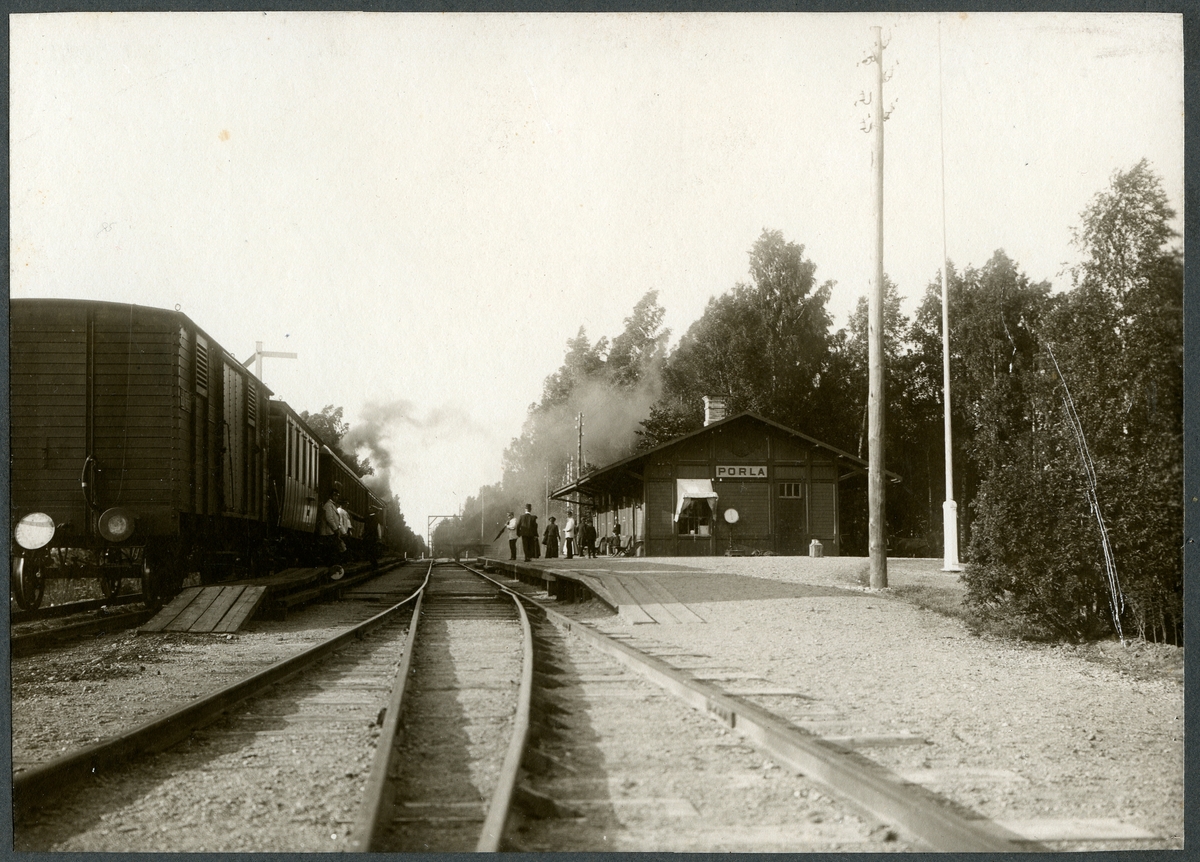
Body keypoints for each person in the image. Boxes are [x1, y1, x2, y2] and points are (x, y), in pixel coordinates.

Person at [318, 489, 342, 565]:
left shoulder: (332, 505)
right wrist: (336, 529)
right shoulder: (328, 505)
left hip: (330, 531)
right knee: (331, 550)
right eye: (334, 495)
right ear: (330, 496)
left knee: (331, 550)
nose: (336, 497)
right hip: (328, 531)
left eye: (337, 496)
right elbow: (329, 518)